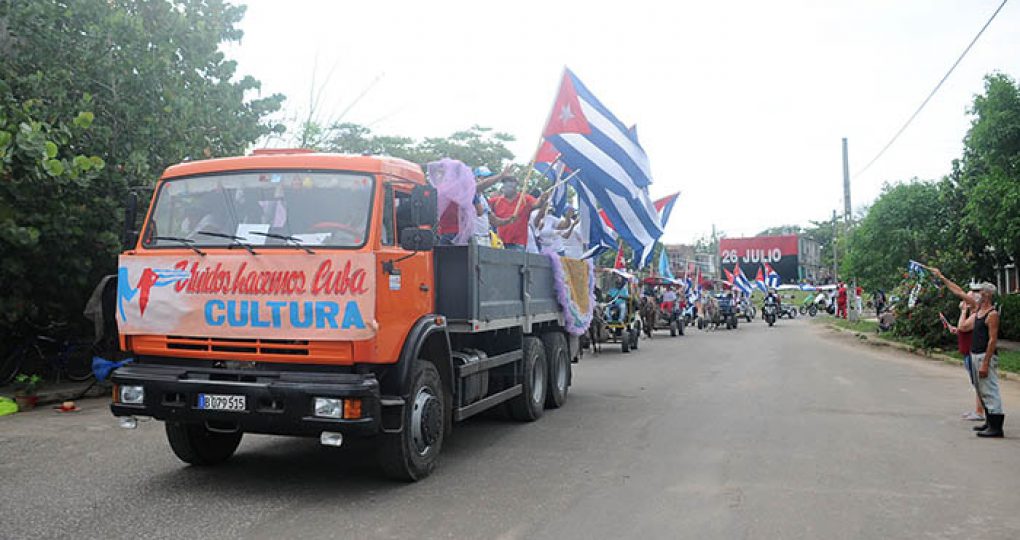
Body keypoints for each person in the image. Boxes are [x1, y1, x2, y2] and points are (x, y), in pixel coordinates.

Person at [930, 267, 1005, 438]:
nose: (976, 295)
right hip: (975, 354)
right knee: (982, 389)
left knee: (990, 389)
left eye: (980, 292)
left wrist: (986, 362)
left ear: (987, 295)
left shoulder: (992, 314)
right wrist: (942, 277)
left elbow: (993, 340)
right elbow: (958, 292)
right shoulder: (979, 310)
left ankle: (996, 426)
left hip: (985, 356)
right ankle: (989, 421)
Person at [947, 293, 983, 422]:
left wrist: (963, 312)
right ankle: (979, 410)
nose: (963, 302)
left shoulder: (976, 315)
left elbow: (964, 326)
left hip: (973, 353)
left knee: (979, 384)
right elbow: (963, 329)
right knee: (976, 384)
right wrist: (957, 330)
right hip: (968, 353)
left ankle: (981, 412)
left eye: (966, 299)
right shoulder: (973, 315)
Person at [489, 176, 544, 251]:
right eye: (506, 185)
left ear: (515, 187)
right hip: (499, 241)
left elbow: (536, 204)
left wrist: (542, 200)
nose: (508, 188)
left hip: (518, 242)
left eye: (511, 186)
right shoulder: (495, 201)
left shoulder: (525, 199)